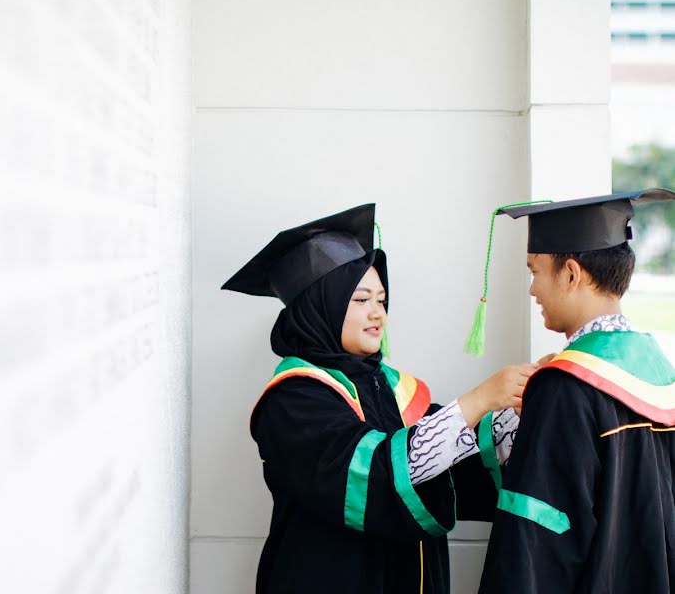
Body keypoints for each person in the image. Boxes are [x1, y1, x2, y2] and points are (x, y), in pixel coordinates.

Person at [222, 204, 536, 594]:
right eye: (360, 300)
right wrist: (478, 399)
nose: (379, 315)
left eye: (381, 300)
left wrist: (524, 403)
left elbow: (450, 461)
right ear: (320, 306)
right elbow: (376, 472)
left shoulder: (387, 384)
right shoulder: (293, 399)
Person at [477, 188, 675, 593]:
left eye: (534, 271)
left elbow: (536, 540)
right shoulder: (662, 374)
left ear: (570, 273)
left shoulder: (564, 388)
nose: (533, 290)